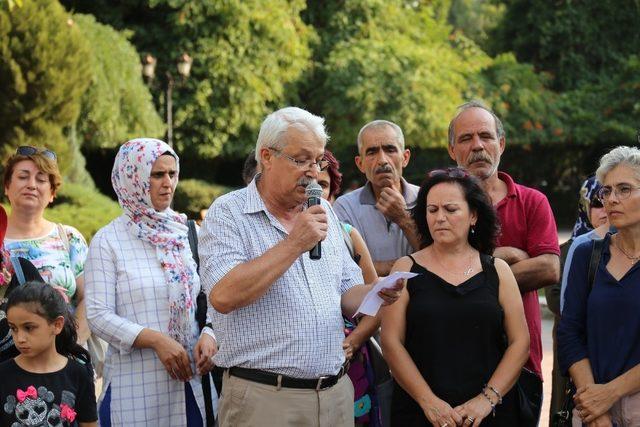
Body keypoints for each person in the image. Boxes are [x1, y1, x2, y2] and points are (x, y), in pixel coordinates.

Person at [199, 107, 402, 427]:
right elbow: (223, 294)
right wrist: (295, 243)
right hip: (266, 401)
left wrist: (378, 292)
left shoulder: (323, 212)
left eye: (318, 160)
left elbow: (347, 295)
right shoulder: (229, 213)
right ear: (266, 156)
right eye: (301, 159)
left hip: (334, 395)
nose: (312, 171)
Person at [380, 167, 529, 426]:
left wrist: (487, 399)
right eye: (432, 209)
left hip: (489, 415)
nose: (440, 218)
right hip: (420, 413)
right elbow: (391, 342)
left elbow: (520, 342)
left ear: (473, 216)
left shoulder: (498, 271)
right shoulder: (405, 268)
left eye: (450, 209)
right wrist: (429, 402)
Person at [85, 138, 217, 426]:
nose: (167, 183)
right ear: (133, 178)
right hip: (136, 385)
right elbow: (97, 315)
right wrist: (156, 340)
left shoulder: (187, 232)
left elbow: (212, 295)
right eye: (157, 175)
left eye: (172, 174)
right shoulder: (109, 241)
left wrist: (209, 334)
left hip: (191, 382)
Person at [447, 101, 561, 423]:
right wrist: (507, 257)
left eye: (485, 136)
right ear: (452, 149)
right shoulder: (440, 205)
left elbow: (549, 268)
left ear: (502, 144)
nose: (478, 145)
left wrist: (472, 271)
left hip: (521, 366)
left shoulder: (532, 202)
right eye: (466, 138)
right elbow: (437, 272)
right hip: (454, 364)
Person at [559, 146, 640, 427]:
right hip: (590, 406)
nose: (612, 199)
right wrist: (596, 410)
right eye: (607, 191)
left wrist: (608, 395)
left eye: (624, 189)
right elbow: (569, 332)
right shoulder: (587, 255)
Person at [1, 147, 90, 347]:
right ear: (7, 186)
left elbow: (90, 299)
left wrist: (72, 345)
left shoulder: (69, 238)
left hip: (62, 357)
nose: (31, 185)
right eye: (23, 177)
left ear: (52, 193)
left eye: (41, 180)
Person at [320, 149, 382, 425]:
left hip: (351, 361)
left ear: (333, 192)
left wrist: (353, 342)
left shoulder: (348, 235)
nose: (315, 192)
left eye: (322, 185)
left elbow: (374, 301)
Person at [546, 176, 609, 422]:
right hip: (574, 359)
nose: (606, 209)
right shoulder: (571, 249)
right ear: (585, 206)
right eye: (597, 202)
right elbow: (555, 299)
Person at [0, 281, 97, 426]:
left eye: (29, 328)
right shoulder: (3, 374)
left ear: (57, 325)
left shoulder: (78, 374)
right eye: (13, 328)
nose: (19, 338)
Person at [333, 120, 420, 276]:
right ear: (360, 163)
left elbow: (442, 259)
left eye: (390, 150)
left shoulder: (426, 199)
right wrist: (396, 266)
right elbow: (339, 266)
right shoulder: (345, 207)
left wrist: (403, 218)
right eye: (372, 152)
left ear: (405, 157)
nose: (382, 160)